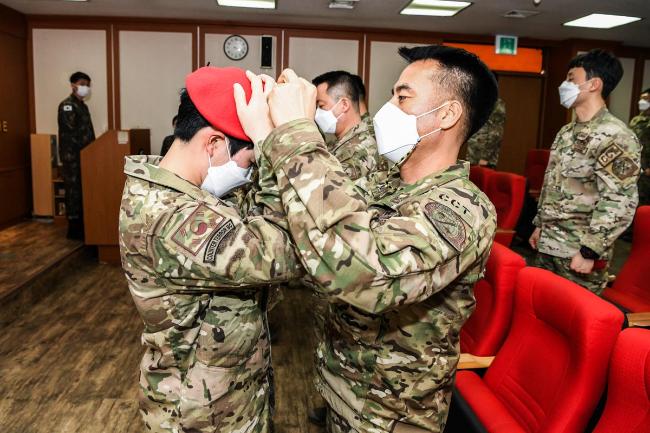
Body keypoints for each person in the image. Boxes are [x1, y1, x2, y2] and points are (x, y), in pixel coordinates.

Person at [235, 44, 498, 433]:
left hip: (392, 413)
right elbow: (312, 235)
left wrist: (297, 134)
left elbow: (365, 274)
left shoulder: (461, 209)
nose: (387, 108)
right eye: (391, 94)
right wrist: (268, 137)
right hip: (343, 389)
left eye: (403, 97)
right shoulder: (384, 183)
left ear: (447, 114)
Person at [118, 66, 302, 433]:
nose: (250, 173)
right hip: (200, 414)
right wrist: (276, 146)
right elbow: (282, 254)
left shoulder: (186, 190)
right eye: (251, 161)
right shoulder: (169, 217)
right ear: (214, 144)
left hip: (224, 396)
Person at [530, 49, 641, 295]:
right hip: (550, 246)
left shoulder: (616, 135)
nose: (564, 85)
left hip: (579, 252)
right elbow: (554, 185)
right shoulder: (567, 132)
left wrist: (590, 250)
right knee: (541, 314)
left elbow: (620, 199)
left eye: (571, 79)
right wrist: (540, 226)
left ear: (594, 84)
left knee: (575, 322)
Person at [312, 70, 381, 179]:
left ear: (344, 105)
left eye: (321, 106)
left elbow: (324, 189)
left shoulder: (359, 150)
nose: (317, 113)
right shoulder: (342, 142)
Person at [58, 71, 95, 240]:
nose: (85, 87)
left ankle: (84, 225)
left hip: (85, 156)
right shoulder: (67, 105)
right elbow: (71, 133)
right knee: (73, 191)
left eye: (87, 84)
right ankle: (73, 228)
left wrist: (93, 150)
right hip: (72, 157)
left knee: (83, 190)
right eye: (82, 83)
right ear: (73, 85)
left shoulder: (83, 106)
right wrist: (86, 150)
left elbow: (88, 132)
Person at [465, 72, 505, 168]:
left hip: (483, 160)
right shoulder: (480, 101)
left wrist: (485, 158)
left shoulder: (497, 105)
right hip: (473, 155)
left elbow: (496, 133)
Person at [629, 88, 649, 207]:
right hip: (635, 168)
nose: (641, 101)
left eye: (645, 99)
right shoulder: (636, 120)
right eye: (641, 98)